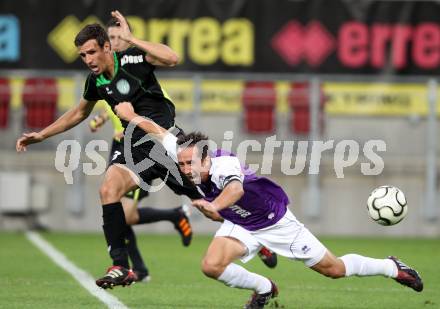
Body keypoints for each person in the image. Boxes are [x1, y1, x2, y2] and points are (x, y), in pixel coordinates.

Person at [112, 103, 424, 309]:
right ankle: (264, 289)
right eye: (181, 163)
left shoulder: (223, 165)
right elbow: (159, 132)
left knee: (334, 269)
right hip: (241, 223)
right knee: (211, 266)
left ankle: (391, 267)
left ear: (206, 157)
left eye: (189, 163)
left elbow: (234, 190)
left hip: (275, 221)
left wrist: (215, 206)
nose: (185, 168)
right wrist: (130, 116)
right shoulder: (187, 154)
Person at [16, 10, 203, 289]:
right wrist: (41, 135)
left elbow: (172, 58)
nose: (88, 60)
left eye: (92, 52)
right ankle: (120, 266)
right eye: (83, 55)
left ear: (107, 47)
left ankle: (255, 231)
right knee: (108, 189)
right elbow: (78, 113)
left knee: (209, 202)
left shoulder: (133, 59)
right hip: (133, 146)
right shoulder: (96, 81)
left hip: (164, 142)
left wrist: (131, 39)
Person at [88, 18, 195, 282]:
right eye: (109, 38)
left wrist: (136, 122)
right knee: (117, 205)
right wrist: (101, 120)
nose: (112, 43)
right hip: (126, 147)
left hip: (155, 141)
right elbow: (108, 105)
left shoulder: (141, 73)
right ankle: (128, 266)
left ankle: (250, 227)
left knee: (206, 198)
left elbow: (156, 102)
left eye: (116, 38)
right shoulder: (104, 80)